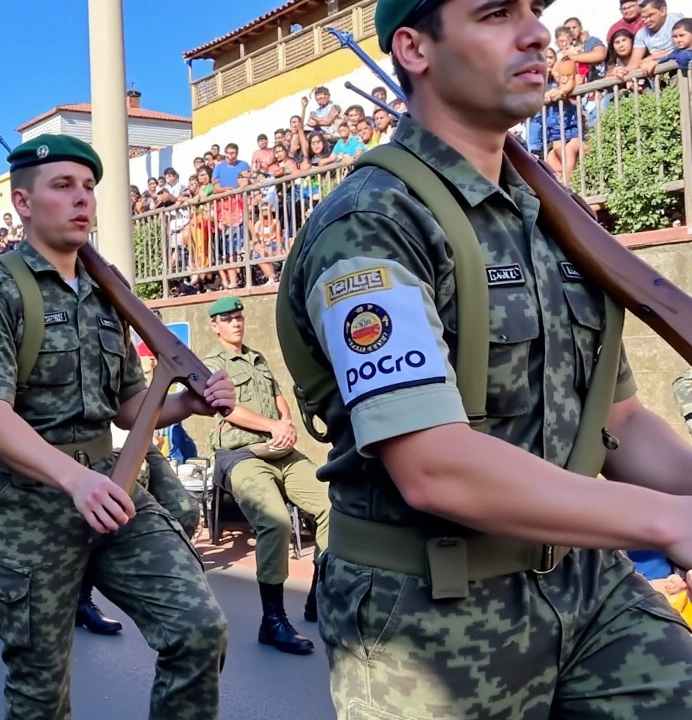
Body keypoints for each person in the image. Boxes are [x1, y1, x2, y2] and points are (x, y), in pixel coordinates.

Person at [281, 1, 692, 717]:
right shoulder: (373, 222)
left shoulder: (551, 218)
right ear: (414, 48)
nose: (535, 32)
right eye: (497, 13)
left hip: (585, 582)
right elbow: (435, 467)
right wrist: (669, 521)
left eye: (536, 10)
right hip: (431, 613)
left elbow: (617, 417)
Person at [0, 133, 235, 720]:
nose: (82, 199)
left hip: (111, 482)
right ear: (23, 204)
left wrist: (192, 404)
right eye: (62, 186)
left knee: (198, 629)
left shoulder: (108, 297)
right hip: (23, 503)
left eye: (88, 187)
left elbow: (129, 407)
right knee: (39, 690)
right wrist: (74, 482)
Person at [202, 296, 330, 655]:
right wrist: (274, 426)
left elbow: (279, 397)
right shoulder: (212, 364)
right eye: (227, 319)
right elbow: (226, 408)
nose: (236, 323)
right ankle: (272, 620)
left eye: (238, 317)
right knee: (276, 521)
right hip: (241, 454)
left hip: (281, 450)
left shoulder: (257, 358)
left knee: (331, 505)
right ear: (215, 326)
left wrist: (286, 424)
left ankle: (319, 597)